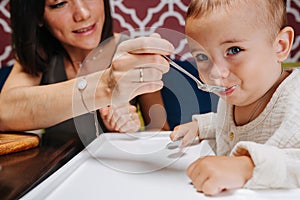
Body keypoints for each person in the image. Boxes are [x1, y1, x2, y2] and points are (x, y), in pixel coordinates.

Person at [170, 0, 300, 196]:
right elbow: (228, 125)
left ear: (280, 46)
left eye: (234, 50)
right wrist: (201, 126)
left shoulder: (295, 102)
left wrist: (247, 167)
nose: (216, 73)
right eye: (203, 57)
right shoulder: (236, 96)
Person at [0, 0, 173, 140]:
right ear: (38, 17)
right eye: (59, 4)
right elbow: (4, 113)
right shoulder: (40, 55)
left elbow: (162, 133)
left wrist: (130, 131)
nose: (83, 14)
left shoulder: (133, 55)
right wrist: (106, 86)